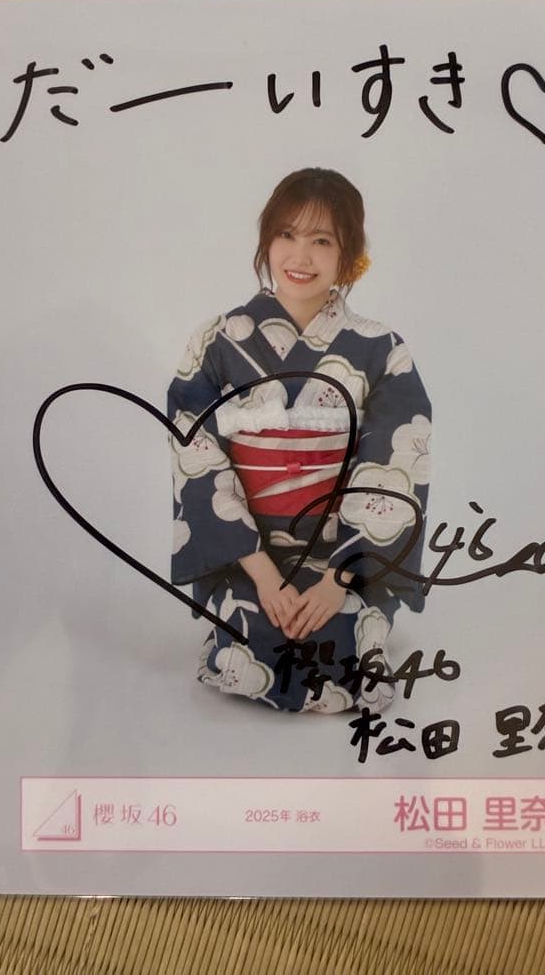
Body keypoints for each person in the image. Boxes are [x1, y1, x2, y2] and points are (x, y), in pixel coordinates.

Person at [168, 167, 431, 713]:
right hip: (250, 555)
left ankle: (354, 616)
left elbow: (394, 463)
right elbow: (195, 451)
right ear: (266, 240)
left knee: (336, 631)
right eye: (286, 234)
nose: (300, 255)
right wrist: (264, 575)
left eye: (322, 240)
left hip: (343, 557)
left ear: (349, 254)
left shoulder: (381, 349)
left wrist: (339, 579)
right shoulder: (218, 340)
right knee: (255, 629)